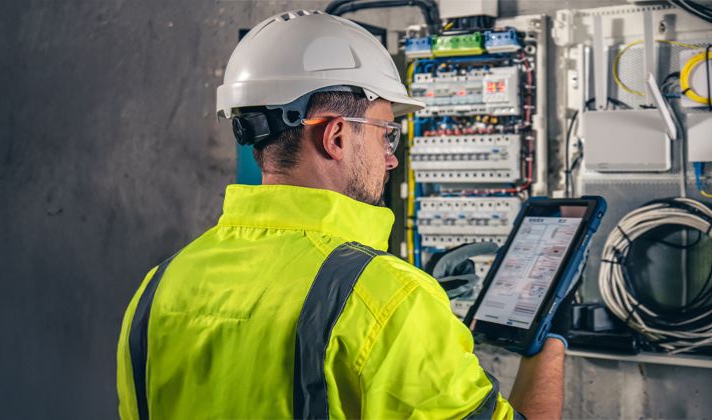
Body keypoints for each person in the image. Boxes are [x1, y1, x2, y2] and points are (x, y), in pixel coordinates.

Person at [117, 10, 564, 419]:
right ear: (335, 136)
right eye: (386, 135)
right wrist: (553, 339)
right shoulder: (389, 300)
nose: (391, 159)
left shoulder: (156, 290)